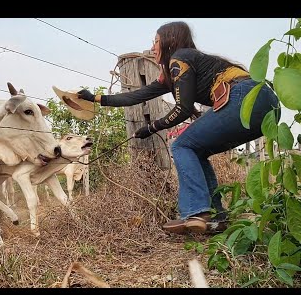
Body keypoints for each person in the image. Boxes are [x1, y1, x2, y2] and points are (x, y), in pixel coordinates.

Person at [76, 21, 280, 234]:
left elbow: (183, 109)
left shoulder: (179, 59)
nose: (153, 47)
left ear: (169, 41)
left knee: (182, 145)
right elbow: (135, 96)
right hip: (267, 105)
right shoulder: (181, 67)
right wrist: (95, 98)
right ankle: (216, 218)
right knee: (197, 150)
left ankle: (196, 212)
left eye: (156, 41)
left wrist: (152, 126)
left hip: (245, 98)